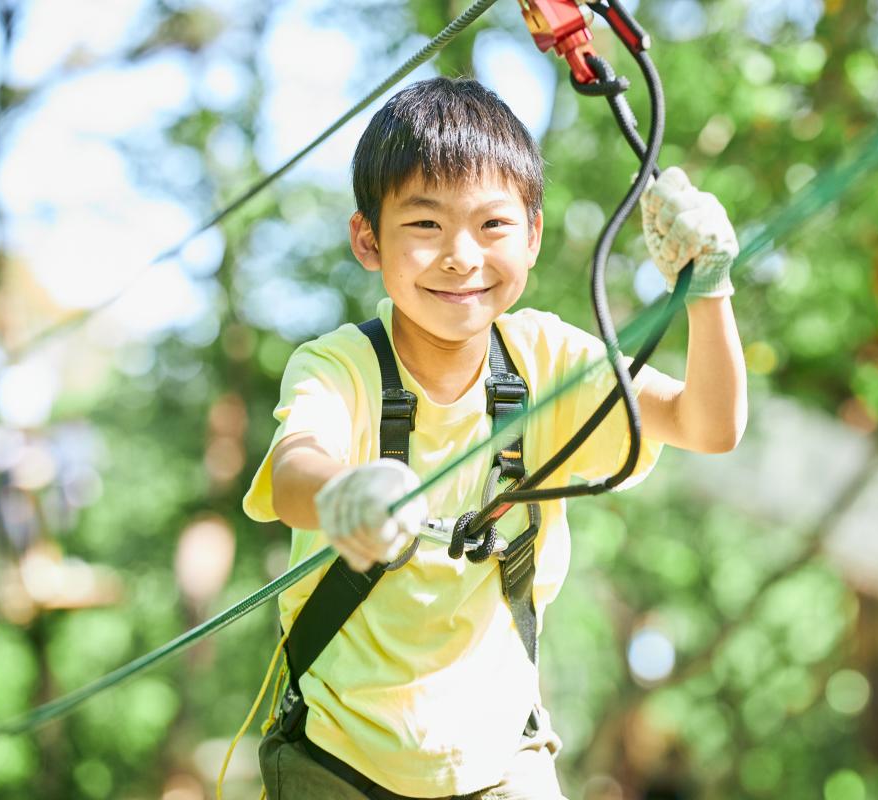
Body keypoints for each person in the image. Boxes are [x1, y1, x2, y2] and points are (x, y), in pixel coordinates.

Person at [242, 76, 746, 800]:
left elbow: (709, 423)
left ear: (532, 235)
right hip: (339, 760)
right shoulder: (340, 365)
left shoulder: (549, 361)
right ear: (367, 239)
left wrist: (710, 296)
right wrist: (345, 492)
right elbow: (296, 471)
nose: (461, 256)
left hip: (502, 762)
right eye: (423, 225)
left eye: (493, 226)